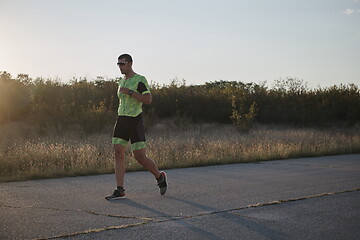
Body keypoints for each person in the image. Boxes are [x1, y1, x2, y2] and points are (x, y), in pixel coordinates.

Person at [106, 54, 167, 200]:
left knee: (140, 157)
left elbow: (148, 99)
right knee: (118, 153)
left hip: (135, 121)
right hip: (121, 119)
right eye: (118, 64)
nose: (120, 67)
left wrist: (131, 92)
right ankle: (120, 190)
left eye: (122, 64)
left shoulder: (140, 80)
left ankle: (160, 176)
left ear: (130, 64)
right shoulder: (121, 81)